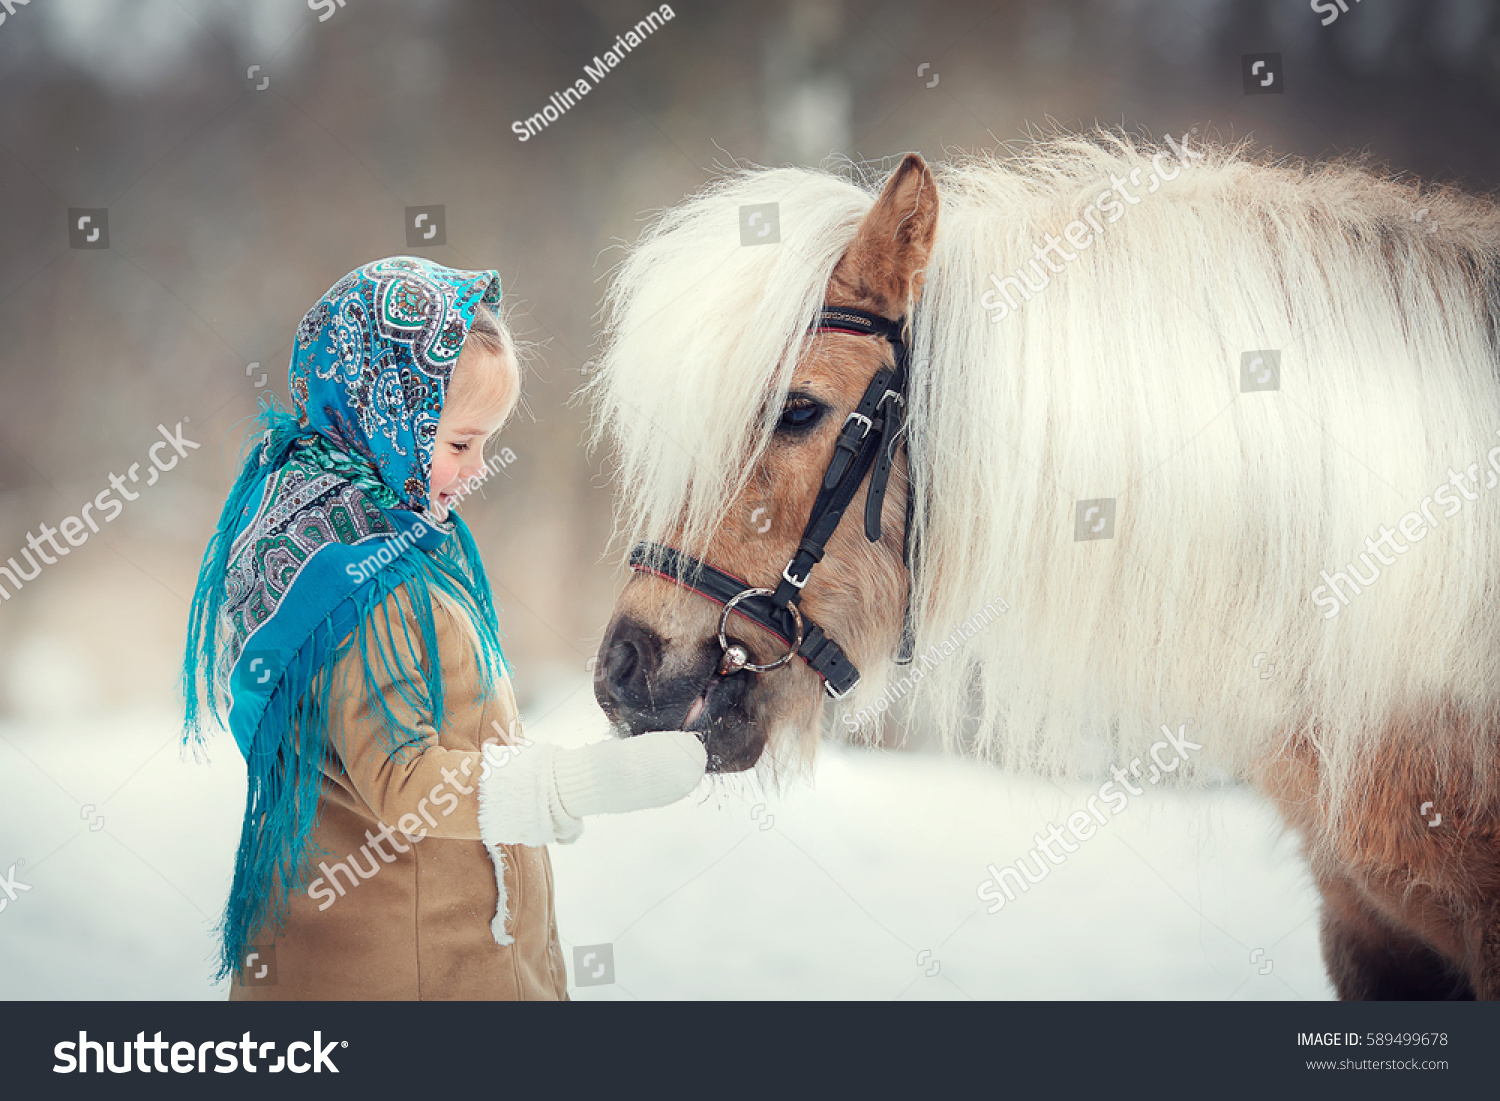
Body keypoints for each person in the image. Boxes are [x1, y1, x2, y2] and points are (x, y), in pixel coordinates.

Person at [181, 256, 705, 999]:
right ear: (384, 412)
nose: (477, 467)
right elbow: (403, 778)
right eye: (460, 442)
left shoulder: (385, 537)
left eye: (488, 441)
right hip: (405, 973)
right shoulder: (363, 577)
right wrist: (572, 784)